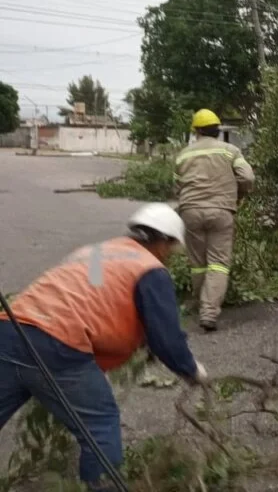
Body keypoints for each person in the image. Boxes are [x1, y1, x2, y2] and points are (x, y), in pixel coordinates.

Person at [0, 203, 208, 489]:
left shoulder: (96, 252)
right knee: (100, 423)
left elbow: (97, 299)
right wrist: (191, 370)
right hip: (58, 345)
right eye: (171, 248)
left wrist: (140, 337)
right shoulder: (150, 269)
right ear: (165, 242)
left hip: (11, 332)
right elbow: (168, 340)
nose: (170, 256)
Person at [175, 109, 255, 332]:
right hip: (221, 211)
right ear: (218, 130)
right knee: (218, 263)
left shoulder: (184, 154)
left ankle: (199, 302)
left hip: (190, 211)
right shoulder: (230, 151)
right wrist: (240, 194)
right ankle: (209, 313)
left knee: (198, 265)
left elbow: (177, 185)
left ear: (196, 131)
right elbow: (247, 177)